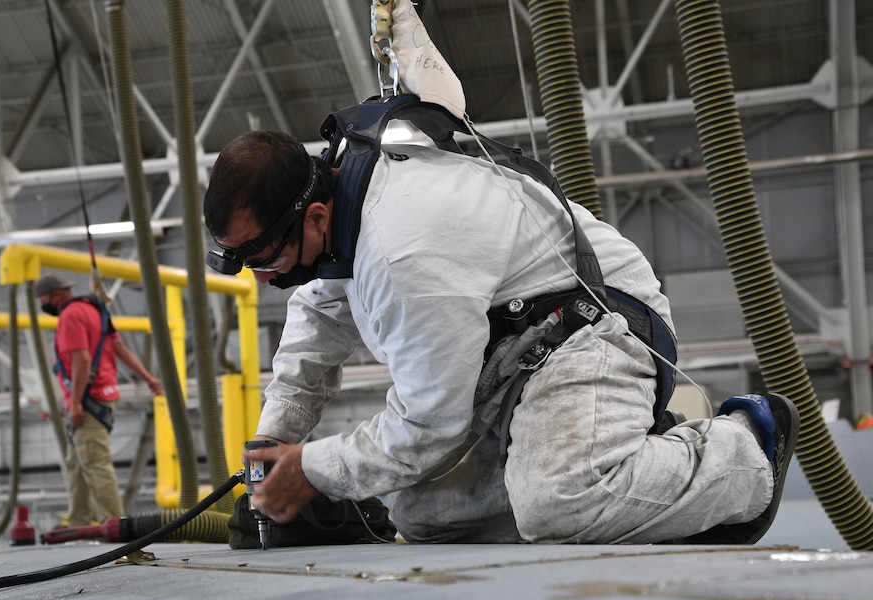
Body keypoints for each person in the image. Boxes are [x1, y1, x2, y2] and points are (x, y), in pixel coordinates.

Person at [202, 128, 800, 545]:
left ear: (314, 216)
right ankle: (618, 462)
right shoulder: (336, 225)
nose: (259, 274)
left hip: (594, 325)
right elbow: (315, 325)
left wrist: (310, 468)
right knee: (423, 513)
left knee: (559, 503)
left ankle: (745, 447)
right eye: (239, 259)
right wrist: (270, 445)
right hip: (517, 353)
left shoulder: (402, 249)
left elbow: (425, 428)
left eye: (261, 254)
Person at [34, 274, 164, 528]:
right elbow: (120, 347)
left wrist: (75, 404)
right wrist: (149, 378)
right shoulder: (95, 310)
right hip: (102, 396)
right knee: (76, 462)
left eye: (44, 300)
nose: (43, 305)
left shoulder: (70, 316)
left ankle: (115, 526)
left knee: (95, 463)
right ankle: (78, 521)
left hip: (88, 399)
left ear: (56, 296)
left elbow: (81, 360)